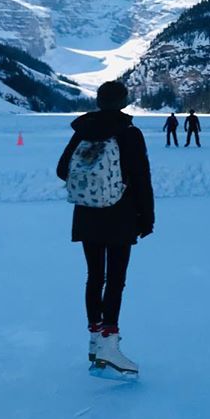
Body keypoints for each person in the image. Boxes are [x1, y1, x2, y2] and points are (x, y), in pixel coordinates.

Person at [57, 81, 153, 376]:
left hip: (87, 215)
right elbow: (141, 178)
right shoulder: (130, 133)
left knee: (94, 276)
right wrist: (146, 218)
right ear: (123, 102)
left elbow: (62, 169)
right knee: (115, 279)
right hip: (120, 216)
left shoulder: (83, 131)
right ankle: (110, 346)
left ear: (99, 101)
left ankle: (95, 339)